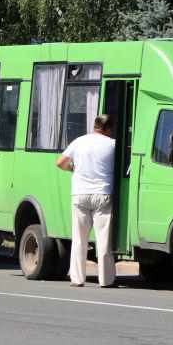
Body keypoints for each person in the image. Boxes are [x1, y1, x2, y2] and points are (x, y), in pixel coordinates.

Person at [56, 114, 117, 288]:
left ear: (94, 126)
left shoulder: (79, 141)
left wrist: (73, 168)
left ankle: (77, 278)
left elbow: (60, 162)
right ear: (108, 129)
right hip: (102, 194)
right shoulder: (113, 145)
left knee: (79, 239)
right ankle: (105, 280)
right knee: (103, 239)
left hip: (80, 194)